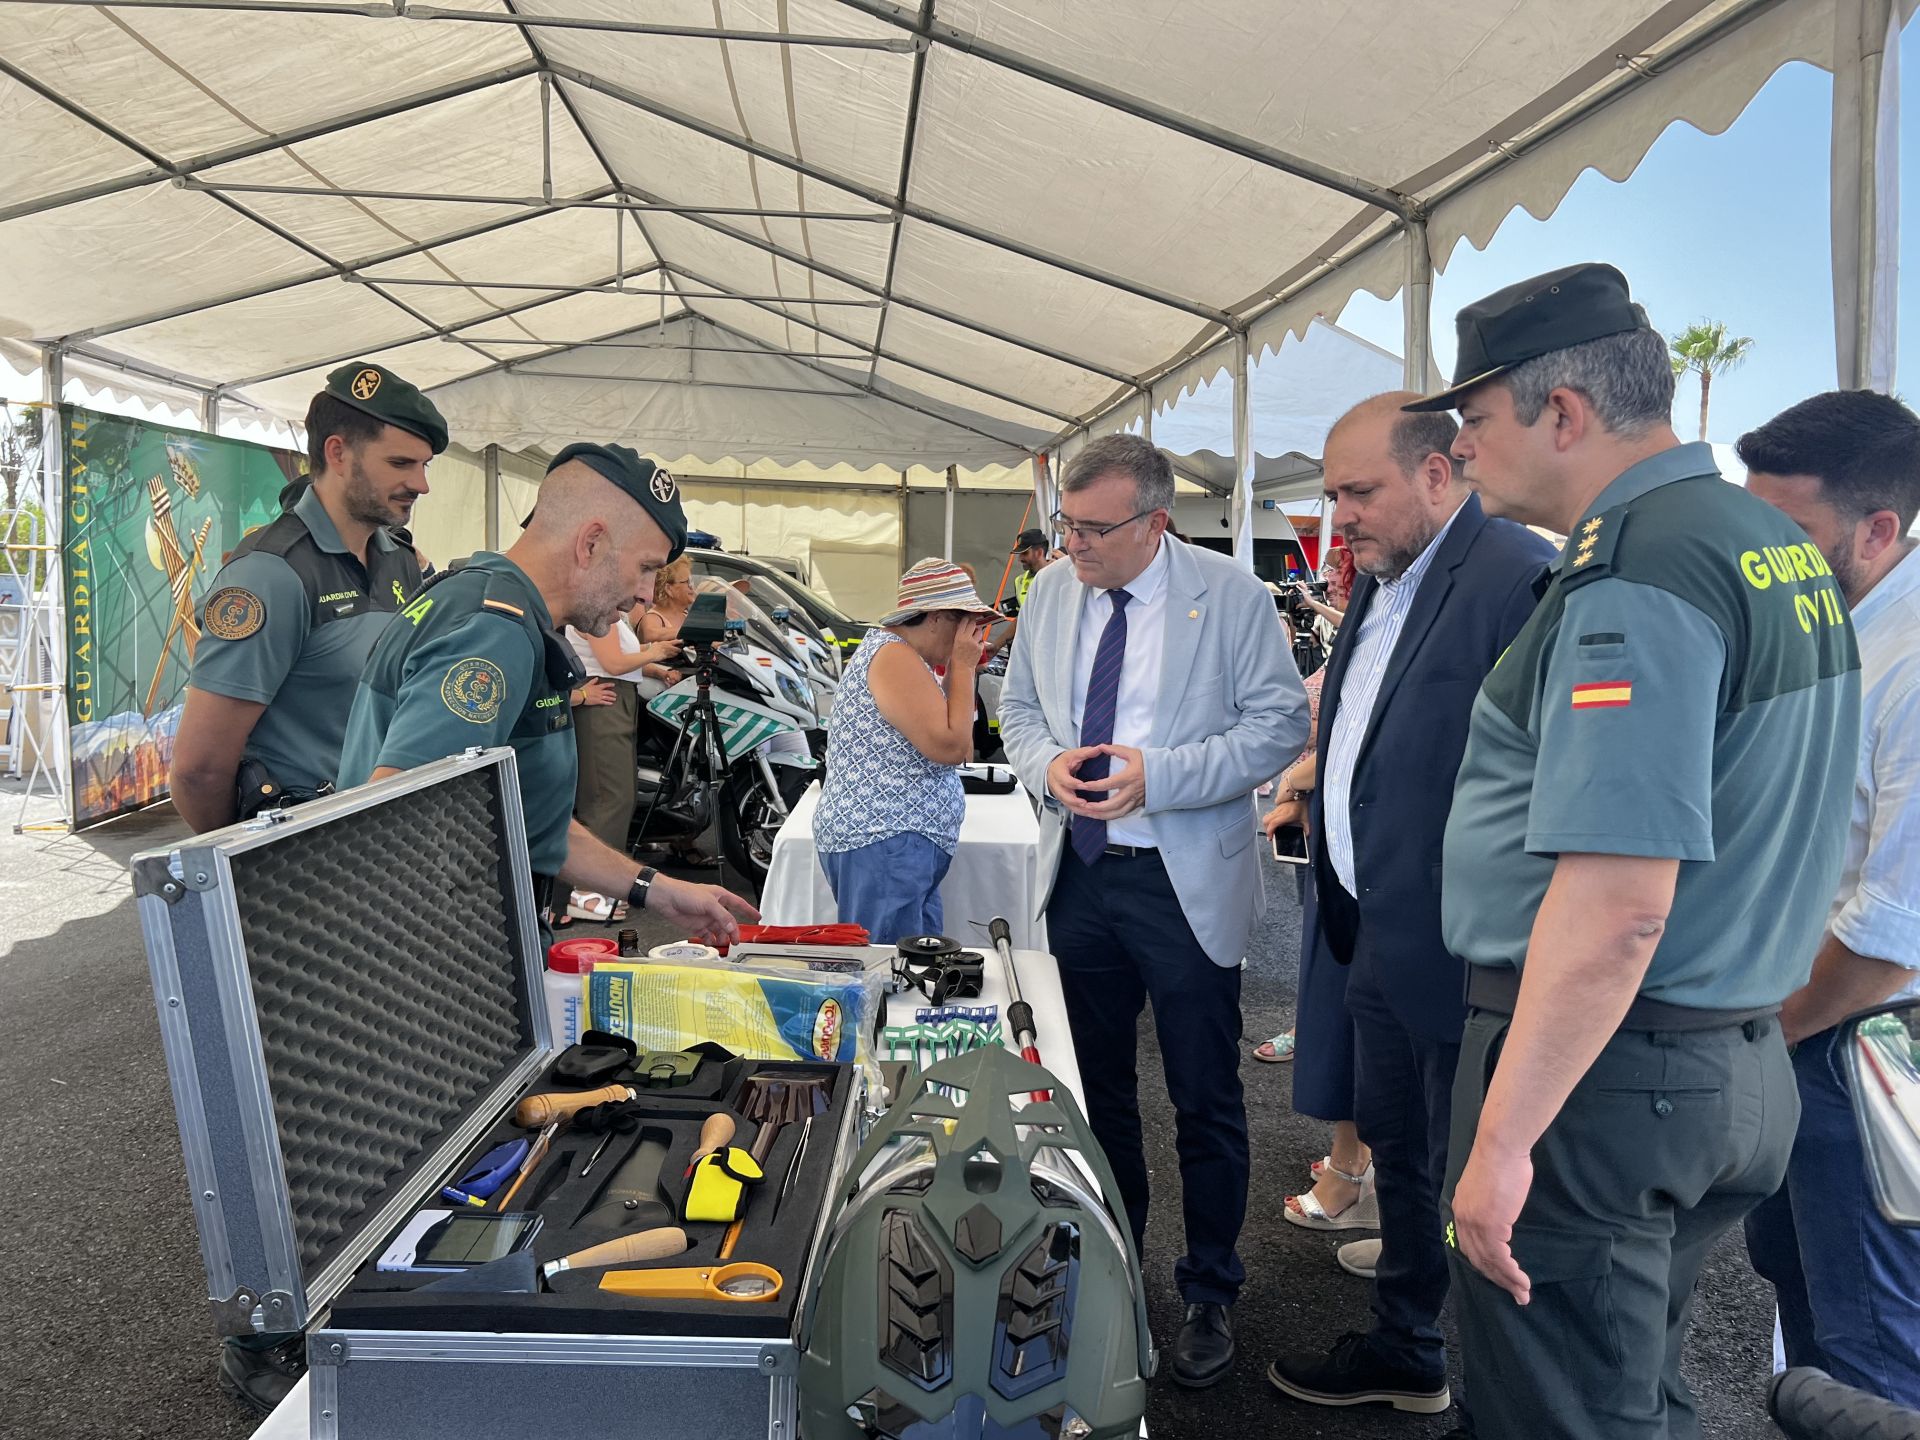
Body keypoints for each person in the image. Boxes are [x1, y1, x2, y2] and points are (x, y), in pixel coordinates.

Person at [1423, 263, 1859, 1440]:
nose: (1462, 452)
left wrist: (1505, 1140)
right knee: (1628, 1388)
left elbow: (1619, 901)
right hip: (1723, 1052)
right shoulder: (1764, 545)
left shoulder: (1640, 566)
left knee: (1561, 1413)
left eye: (1474, 420)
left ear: (1561, 412)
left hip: (1608, 1078)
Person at [998, 433, 1309, 1388]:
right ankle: (1111, 1256)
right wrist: (1046, 764)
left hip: (1182, 882)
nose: (1074, 546)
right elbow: (1015, 708)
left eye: (1095, 529)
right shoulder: (1052, 590)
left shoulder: (1233, 596)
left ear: (1156, 521)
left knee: (1205, 1095)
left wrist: (1161, 779)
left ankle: (1211, 1286)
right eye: (1067, 525)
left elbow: (1280, 725)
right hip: (1081, 874)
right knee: (1090, 1093)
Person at [1265, 394, 1553, 1419]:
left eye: (1359, 491)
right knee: (1402, 1142)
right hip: (1368, 926)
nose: (1340, 515)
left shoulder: (1517, 578)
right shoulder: (1384, 584)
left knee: (1466, 1161)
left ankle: (1468, 1370)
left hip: (1460, 949)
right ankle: (1408, 1340)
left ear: (1440, 472)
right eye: (1333, 493)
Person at [336, 442, 757, 952]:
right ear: (592, 543)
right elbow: (397, 815)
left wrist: (657, 891)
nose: (648, 593)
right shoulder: (494, 632)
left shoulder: (493, 606)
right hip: (434, 957)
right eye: (646, 567)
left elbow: (534, 823)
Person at [1737, 390, 1920, 1407]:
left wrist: (1769, 1031)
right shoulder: (1839, 625)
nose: (1762, 558)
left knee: (1868, 1350)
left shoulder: (1913, 658)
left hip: (1869, 1047)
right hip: (1817, 1035)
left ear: (1878, 529)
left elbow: (1893, 935)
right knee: (1808, 1305)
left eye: (1789, 534)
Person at [171, 362, 441, 836]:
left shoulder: (399, 560)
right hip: (304, 854)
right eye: (400, 463)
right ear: (338, 453)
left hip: (386, 836)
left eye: (424, 465)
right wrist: (253, 869)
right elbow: (199, 771)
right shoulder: (269, 575)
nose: (421, 484)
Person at [812, 558, 998, 940]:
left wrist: (965, 669)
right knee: (890, 972)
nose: (970, 637)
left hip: (893, 843)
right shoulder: (894, 655)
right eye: (965, 625)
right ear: (935, 617)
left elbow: (958, 738)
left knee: (910, 972)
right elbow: (951, 747)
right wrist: (962, 668)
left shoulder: (903, 655)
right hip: (886, 841)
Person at [563, 611, 683, 921]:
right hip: (604, 699)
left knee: (618, 795)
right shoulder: (600, 613)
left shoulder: (612, 615)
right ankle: (587, 891)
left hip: (615, 699)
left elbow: (620, 655)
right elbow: (613, 662)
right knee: (607, 796)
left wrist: (654, 662)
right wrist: (654, 652)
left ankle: (599, 885)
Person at [983, 527, 1054, 661]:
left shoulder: (1058, 577)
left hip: (1051, 653)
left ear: (1039, 552)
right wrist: (997, 645)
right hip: (1027, 653)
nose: (1019, 558)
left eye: (1024, 553)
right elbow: (1022, 618)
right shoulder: (1019, 580)